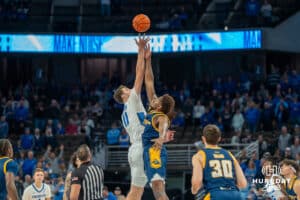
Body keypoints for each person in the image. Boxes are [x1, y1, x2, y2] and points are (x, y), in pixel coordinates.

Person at [112, 35, 150, 200]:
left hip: (137, 147)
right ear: (124, 94)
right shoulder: (132, 100)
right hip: (141, 147)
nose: (130, 88)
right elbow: (139, 74)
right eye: (127, 88)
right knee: (137, 191)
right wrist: (140, 50)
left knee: (138, 191)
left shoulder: (126, 111)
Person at [142, 43, 175, 200]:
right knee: (156, 189)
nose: (154, 98)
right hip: (148, 150)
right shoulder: (153, 109)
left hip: (155, 150)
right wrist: (148, 60)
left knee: (158, 188)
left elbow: (164, 126)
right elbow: (149, 81)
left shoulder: (160, 117)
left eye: (158, 99)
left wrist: (161, 138)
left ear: (160, 106)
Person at [191, 124, 247, 200]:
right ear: (219, 139)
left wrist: (194, 190)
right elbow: (243, 183)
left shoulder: (199, 155)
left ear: (203, 139)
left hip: (215, 194)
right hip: (235, 195)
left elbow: (197, 183)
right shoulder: (229, 154)